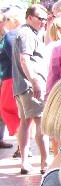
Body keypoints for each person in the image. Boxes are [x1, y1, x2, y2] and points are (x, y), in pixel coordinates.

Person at [13, 3, 49, 174]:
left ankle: (25, 161)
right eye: (40, 18)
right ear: (29, 18)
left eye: (45, 19)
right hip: (29, 86)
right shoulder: (27, 34)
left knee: (25, 124)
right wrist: (34, 81)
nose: (43, 22)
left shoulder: (26, 33)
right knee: (41, 123)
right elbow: (24, 59)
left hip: (21, 86)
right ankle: (45, 162)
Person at [0, 8, 23, 149]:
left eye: (5, 20)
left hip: (9, 78)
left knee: (8, 110)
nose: (3, 23)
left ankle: (22, 144)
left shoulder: (10, 36)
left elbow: (15, 59)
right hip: (10, 77)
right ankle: (22, 145)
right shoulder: (11, 36)